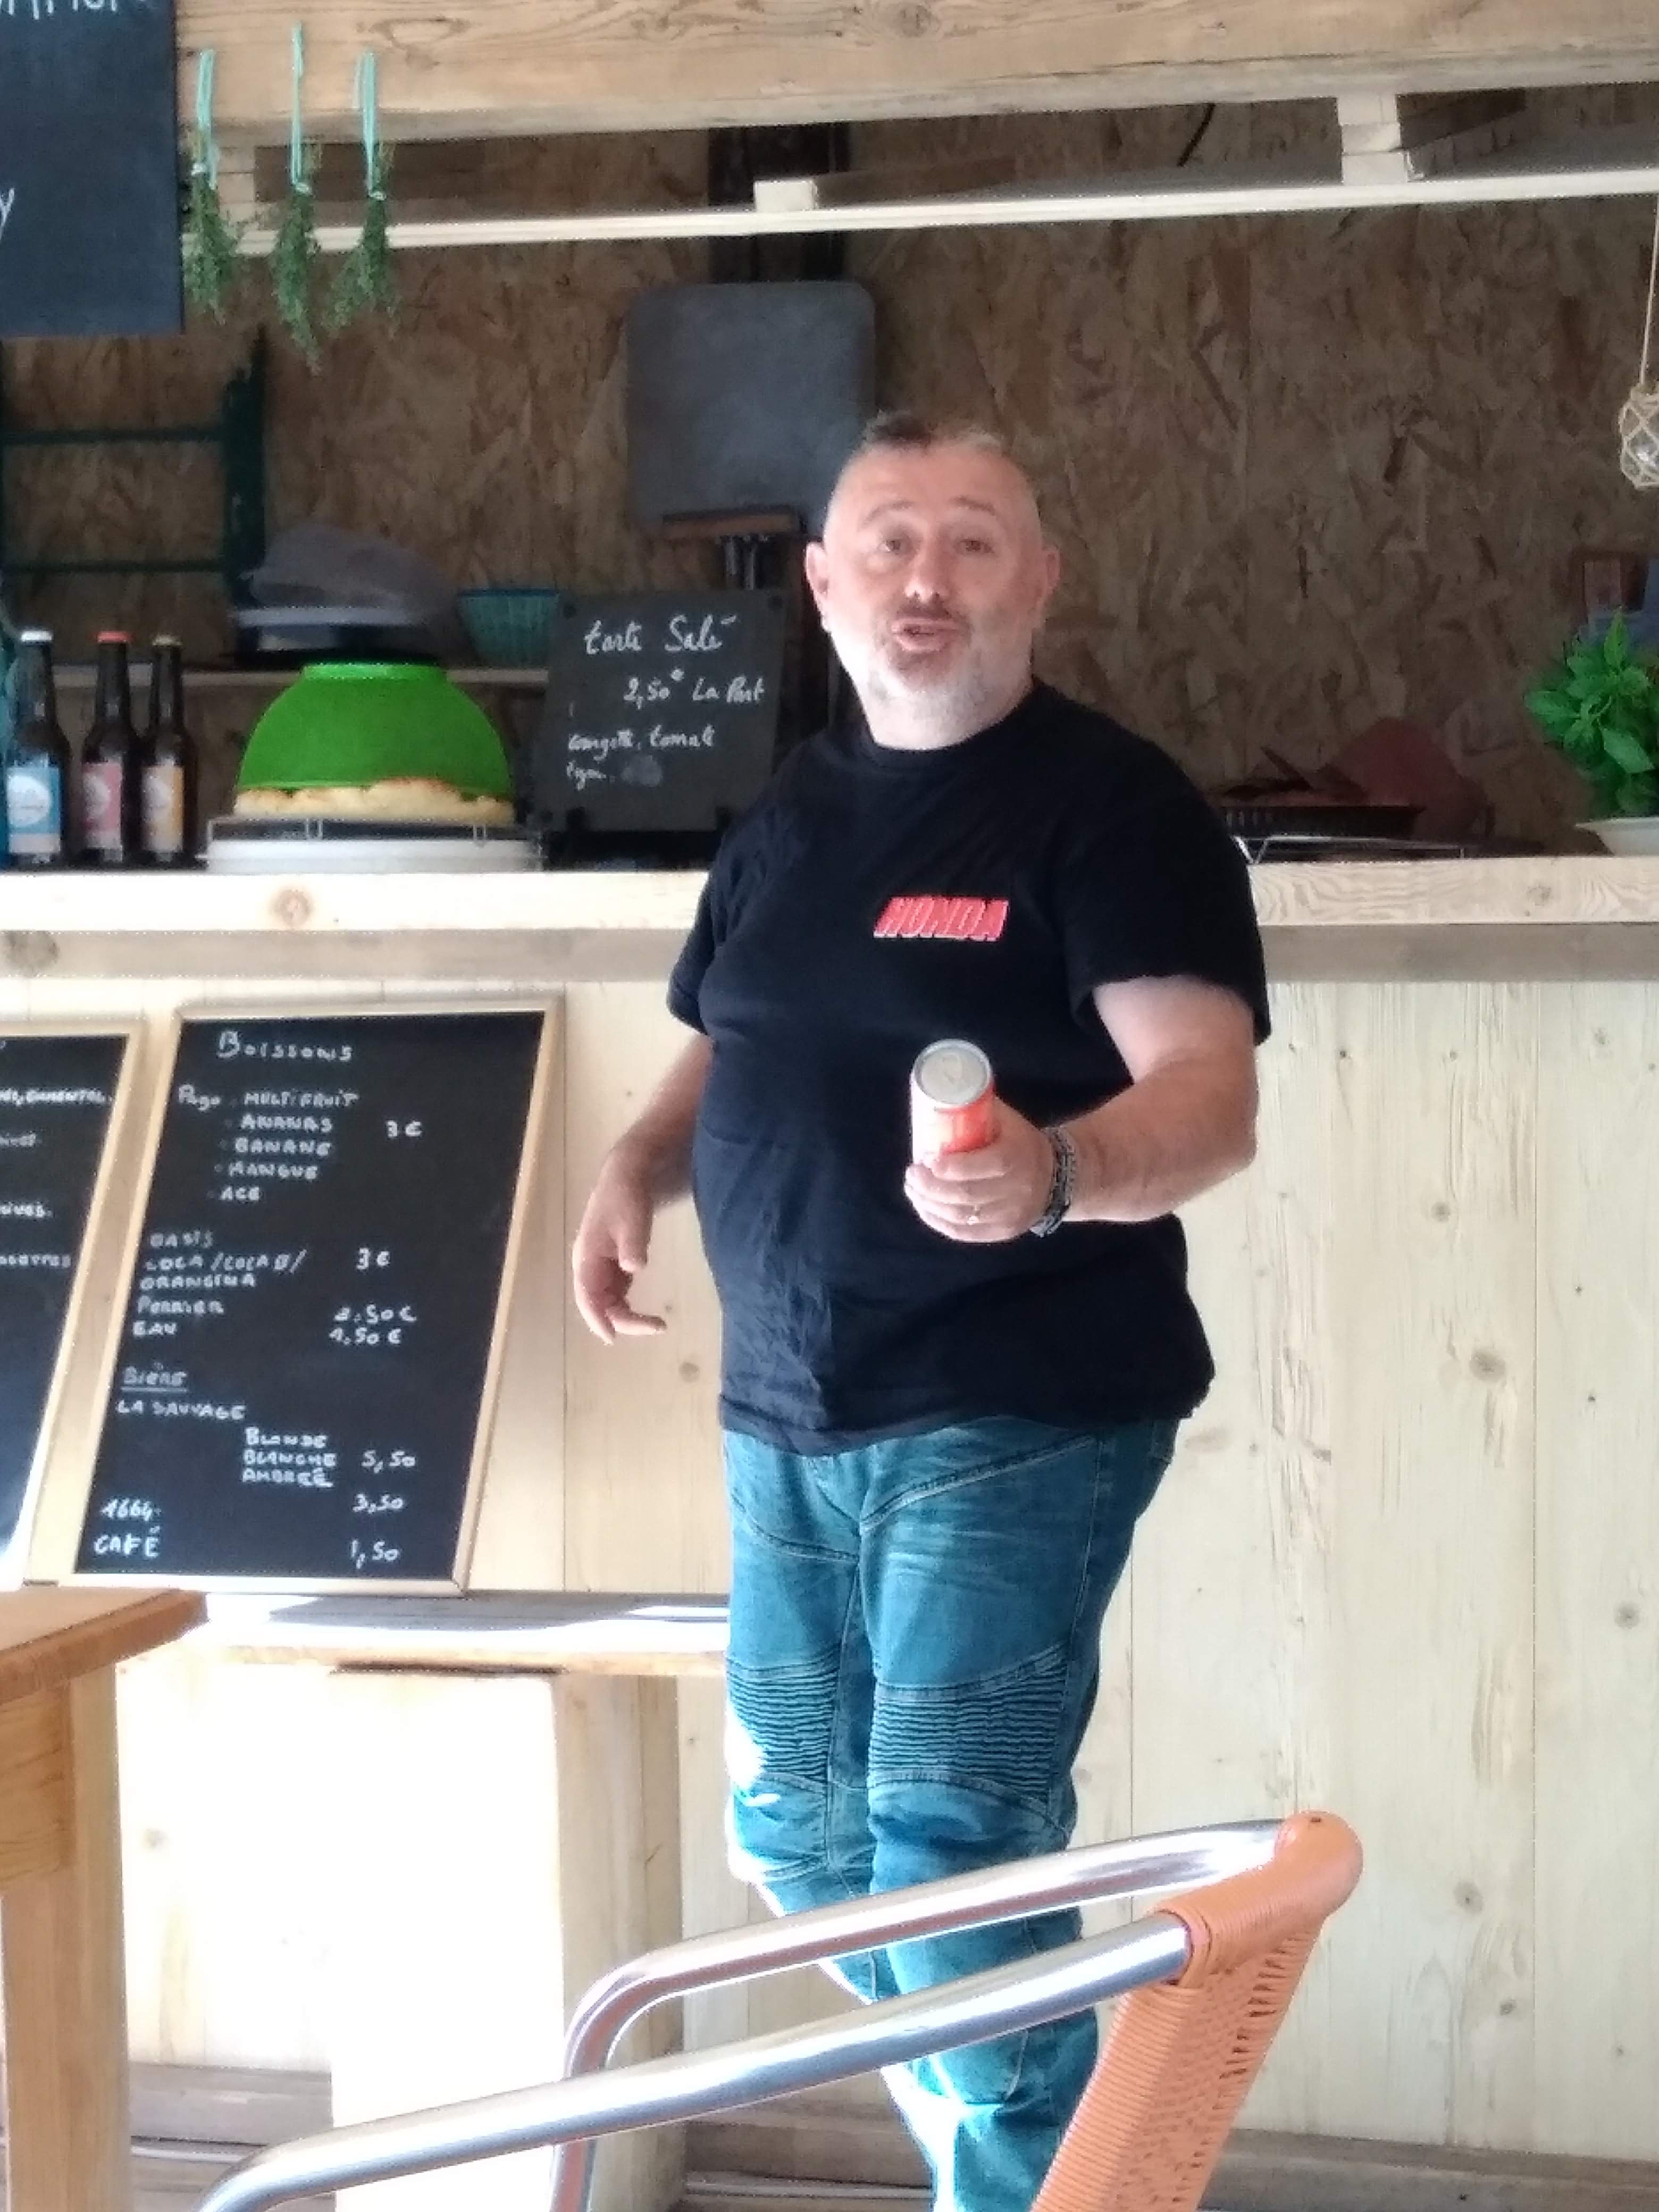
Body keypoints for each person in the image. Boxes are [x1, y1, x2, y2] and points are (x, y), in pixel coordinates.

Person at [572, 413, 1269, 2212]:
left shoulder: (1114, 810)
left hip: (1016, 1404)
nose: (926, 576)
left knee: (952, 1857)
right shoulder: (792, 813)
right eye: (888, 540)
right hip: (786, 1406)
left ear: (1040, 579)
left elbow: (1209, 1101)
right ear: (823, 584)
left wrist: (1058, 1169)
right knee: (803, 1845)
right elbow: (732, 1036)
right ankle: (1057, 2143)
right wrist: (635, 1166)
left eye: (972, 539)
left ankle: (1039, 2182)